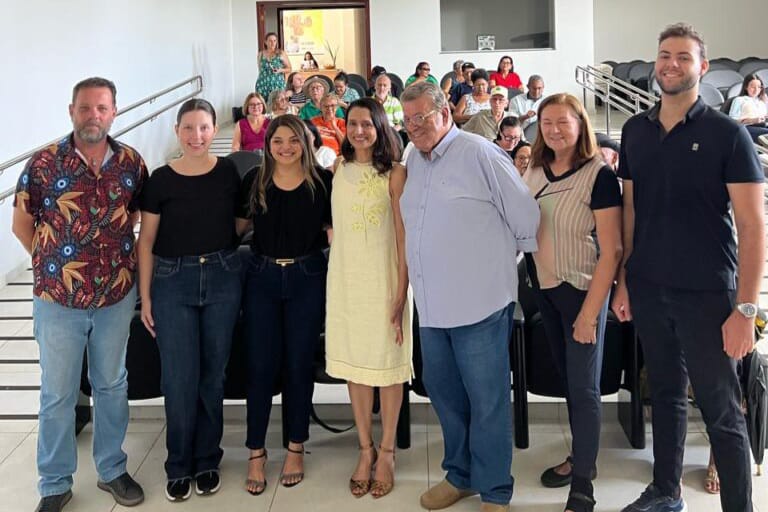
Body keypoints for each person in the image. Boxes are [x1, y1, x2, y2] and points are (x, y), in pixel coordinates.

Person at [613, 23, 764, 512]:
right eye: (663, 56)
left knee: (722, 412)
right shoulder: (635, 129)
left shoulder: (728, 135)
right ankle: (665, 491)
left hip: (708, 295)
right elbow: (630, 212)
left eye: (682, 56)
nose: (670, 64)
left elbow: (753, 225)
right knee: (666, 395)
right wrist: (624, 281)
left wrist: (747, 309)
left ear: (702, 65)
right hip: (650, 286)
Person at [399, 82, 539, 512]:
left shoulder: (480, 153)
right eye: (407, 121)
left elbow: (526, 219)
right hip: (432, 306)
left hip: (479, 304)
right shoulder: (413, 160)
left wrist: (489, 262)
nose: (415, 127)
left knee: (488, 399)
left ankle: (495, 489)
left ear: (446, 113)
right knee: (444, 394)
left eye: (421, 117)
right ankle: (460, 475)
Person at [12, 77, 147, 512]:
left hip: (114, 299)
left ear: (114, 112)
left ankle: (111, 469)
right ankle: (54, 484)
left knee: (112, 385)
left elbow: (140, 216)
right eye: (86, 108)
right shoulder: (43, 164)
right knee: (58, 392)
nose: (94, 116)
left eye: (102, 108)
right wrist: (54, 266)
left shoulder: (131, 163)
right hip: (57, 302)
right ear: (71, 110)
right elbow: (22, 224)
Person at [137, 99, 242, 502]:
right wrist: (145, 296)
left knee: (212, 375)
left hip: (221, 276)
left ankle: (207, 459)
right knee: (178, 378)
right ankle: (178, 463)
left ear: (213, 130)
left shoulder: (229, 172)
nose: (196, 136)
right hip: (172, 281)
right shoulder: (161, 179)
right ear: (177, 131)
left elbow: (239, 223)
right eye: (188, 128)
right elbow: (146, 241)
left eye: (203, 128)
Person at [524, 93, 623, 512]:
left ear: (580, 124)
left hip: (582, 292)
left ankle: (583, 485)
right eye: (547, 122)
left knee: (583, 389)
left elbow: (613, 250)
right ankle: (582, 456)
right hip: (543, 290)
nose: (554, 130)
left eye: (563, 122)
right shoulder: (533, 169)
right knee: (568, 379)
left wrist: (588, 314)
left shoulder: (598, 175)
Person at [237, 115, 333, 495]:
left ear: (307, 142)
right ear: (267, 143)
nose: (286, 147)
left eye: (294, 140)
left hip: (307, 277)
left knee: (298, 364)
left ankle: (296, 446)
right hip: (261, 278)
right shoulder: (254, 180)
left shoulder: (322, 182)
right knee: (260, 366)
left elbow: (334, 234)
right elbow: (235, 229)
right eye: (279, 140)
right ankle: (256, 452)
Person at [325, 97, 410, 499]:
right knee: (357, 367)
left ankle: (388, 451)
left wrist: (400, 292)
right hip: (346, 281)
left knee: (389, 367)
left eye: (367, 124)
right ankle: (365, 448)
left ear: (380, 127)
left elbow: (402, 237)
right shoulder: (339, 169)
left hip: (384, 282)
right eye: (353, 123)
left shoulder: (395, 173)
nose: (359, 131)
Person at [728, 73, 768, 143]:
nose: (756, 90)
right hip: (746, 128)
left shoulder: (761, 101)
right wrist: (752, 120)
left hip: (762, 126)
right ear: (746, 87)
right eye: (753, 87)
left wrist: (765, 103)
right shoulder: (739, 100)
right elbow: (732, 121)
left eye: (759, 87)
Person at [255, 32, 292, 100]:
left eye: (274, 41)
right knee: (263, 105)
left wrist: (280, 70)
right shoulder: (261, 54)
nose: (273, 43)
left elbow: (289, 69)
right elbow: (260, 70)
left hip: (277, 84)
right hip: (262, 85)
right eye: (270, 41)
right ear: (266, 42)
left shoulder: (281, 53)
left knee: (277, 104)